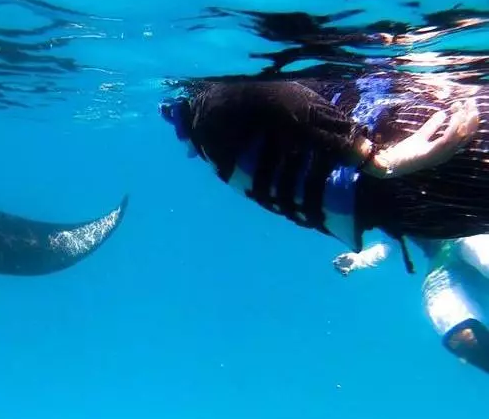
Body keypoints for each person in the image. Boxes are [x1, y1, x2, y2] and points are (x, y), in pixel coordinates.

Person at [159, 71, 485, 272]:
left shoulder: (209, 140)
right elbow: (253, 91)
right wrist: (375, 159)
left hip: (405, 205)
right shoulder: (214, 104)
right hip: (405, 149)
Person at [333, 234, 489, 375]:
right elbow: (390, 246)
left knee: (476, 248)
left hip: (469, 236)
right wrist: (359, 259)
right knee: (460, 335)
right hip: (443, 264)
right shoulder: (397, 217)